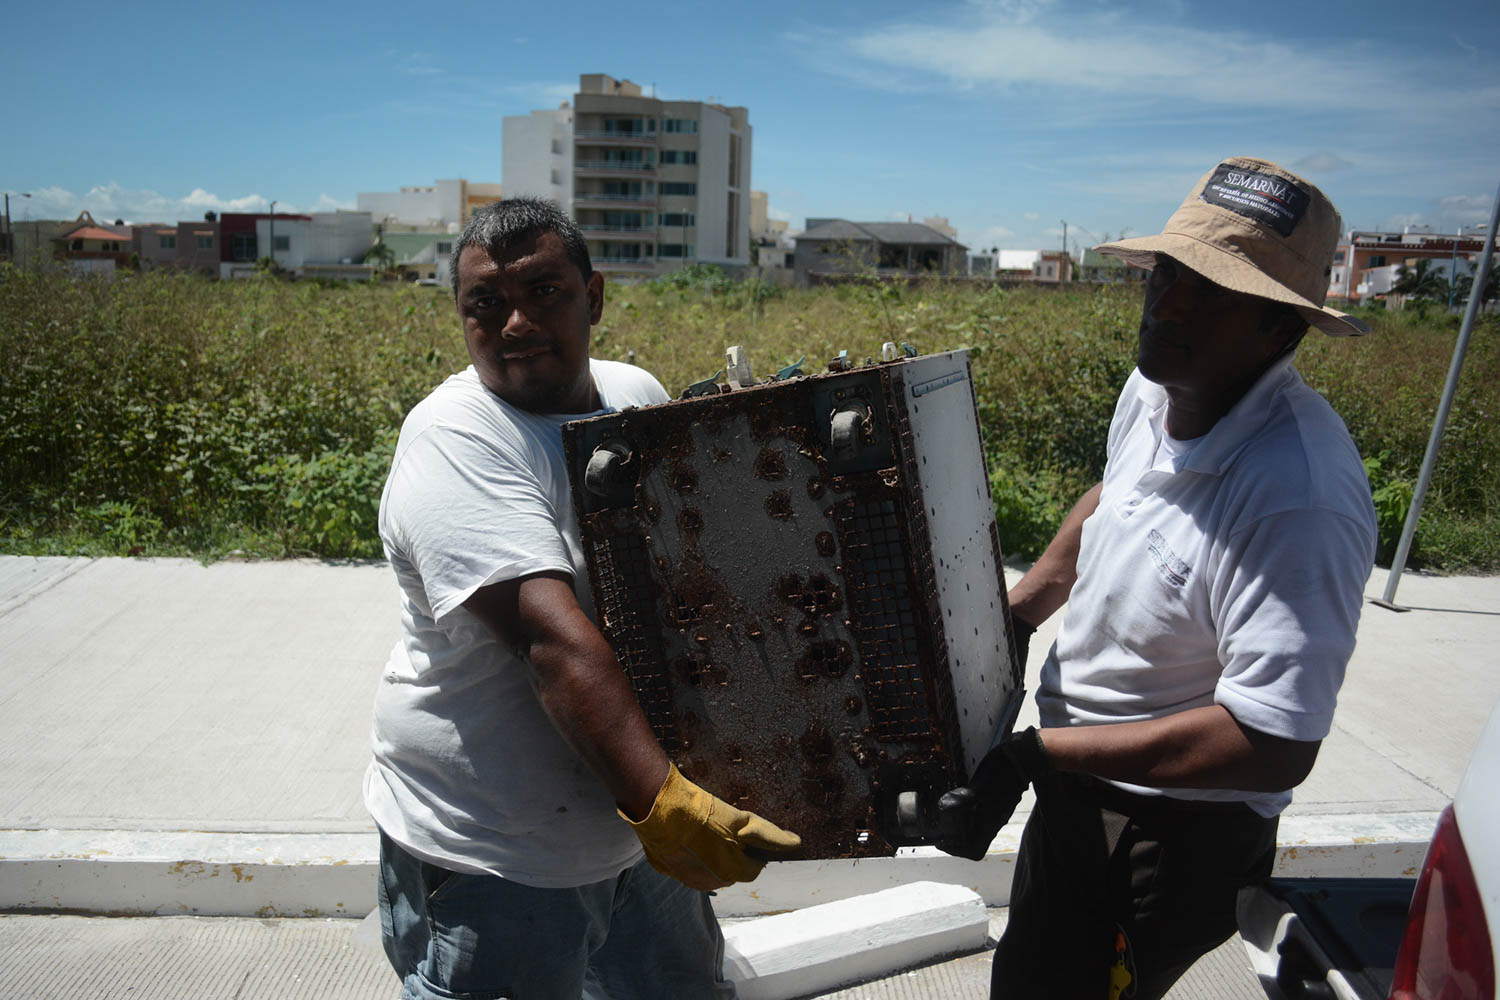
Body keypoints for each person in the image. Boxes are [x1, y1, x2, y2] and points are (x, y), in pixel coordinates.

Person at [936, 157, 1377, 999]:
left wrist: (1035, 754)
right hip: (1076, 782)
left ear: (1280, 331)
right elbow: (1116, 494)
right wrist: (1025, 609)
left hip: (1168, 835)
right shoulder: (1158, 384)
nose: (1168, 304)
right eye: (1169, 275)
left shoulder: (1296, 496)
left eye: (1211, 292)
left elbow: (1272, 743)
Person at [365, 197, 800, 1000]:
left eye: (545, 292)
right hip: (500, 846)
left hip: (633, 820)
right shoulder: (455, 438)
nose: (516, 322)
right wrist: (667, 807)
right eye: (485, 304)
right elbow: (552, 643)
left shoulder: (630, 393)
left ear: (594, 297)